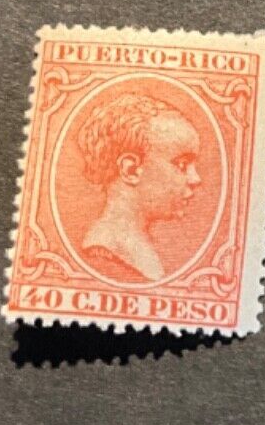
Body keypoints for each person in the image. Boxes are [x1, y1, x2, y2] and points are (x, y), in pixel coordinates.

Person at [75, 91, 202, 282]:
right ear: (131, 170)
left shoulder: (139, 248)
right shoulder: (107, 252)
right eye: (182, 164)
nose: (196, 179)